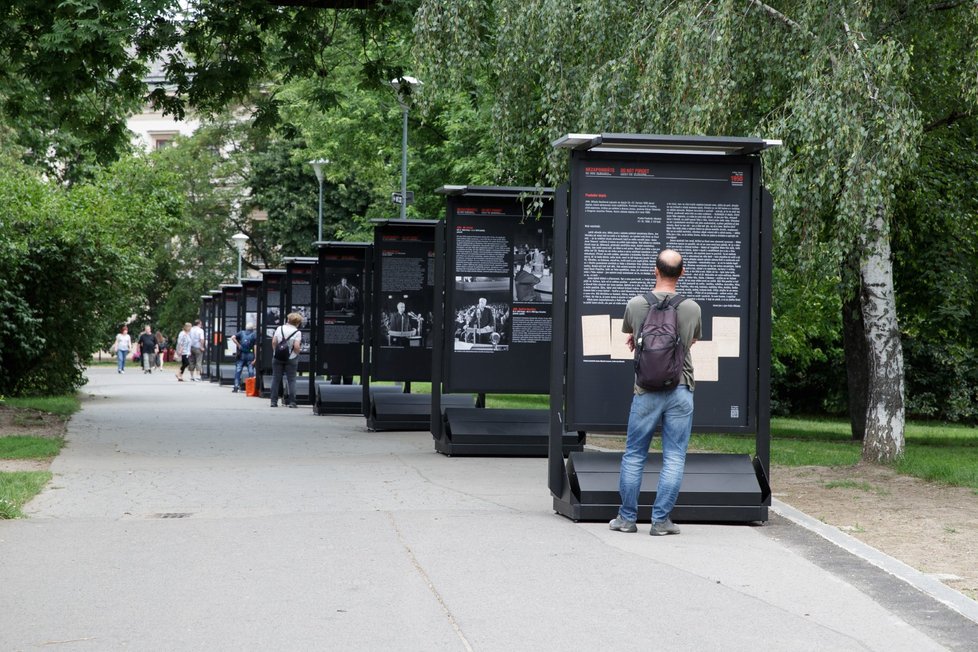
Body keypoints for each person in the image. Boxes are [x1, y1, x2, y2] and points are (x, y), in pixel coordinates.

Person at [609, 249, 702, 536]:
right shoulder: (692, 308)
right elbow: (691, 341)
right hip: (681, 387)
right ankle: (660, 521)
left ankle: (627, 519)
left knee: (635, 454)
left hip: (645, 389)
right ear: (682, 273)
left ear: (655, 271)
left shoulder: (636, 304)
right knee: (674, 456)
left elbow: (633, 336)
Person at [269, 312, 303, 408]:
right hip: (291, 358)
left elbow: (274, 342)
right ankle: (292, 402)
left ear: (288, 320)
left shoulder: (279, 328)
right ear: (298, 323)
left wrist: (276, 352)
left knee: (276, 378)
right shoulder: (297, 332)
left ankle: (273, 401)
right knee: (291, 380)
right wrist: (296, 353)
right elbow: (296, 346)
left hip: (277, 357)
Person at [230, 322, 258, 393]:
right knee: (251, 370)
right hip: (250, 354)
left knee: (238, 370)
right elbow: (255, 347)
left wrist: (239, 345)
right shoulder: (254, 335)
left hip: (241, 354)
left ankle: (236, 386)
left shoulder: (241, 333)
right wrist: (255, 358)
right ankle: (251, 388)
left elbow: (233, 337)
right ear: (252, 329)